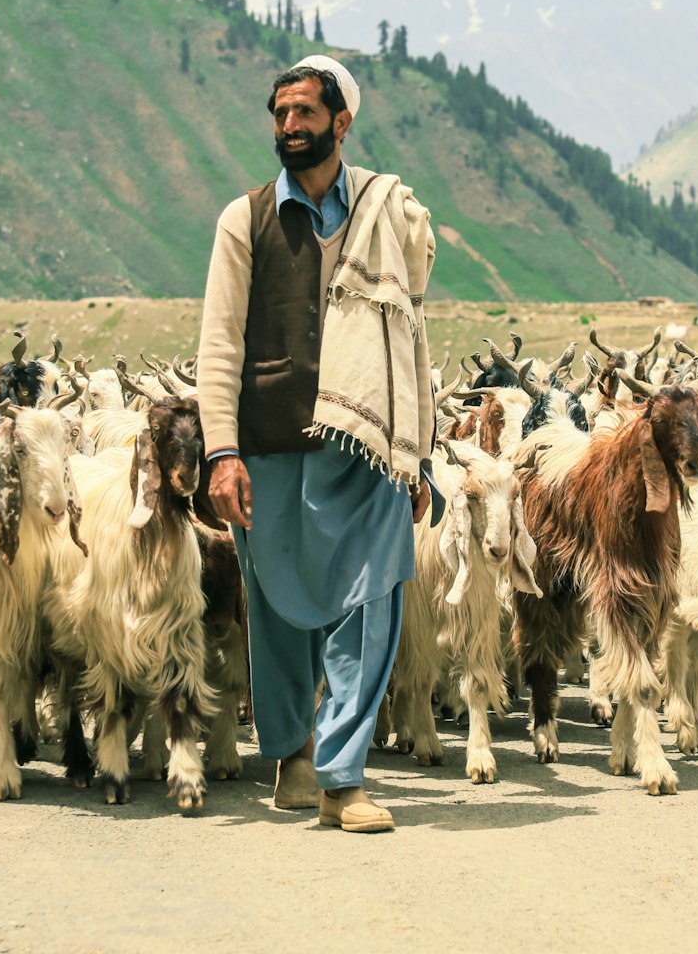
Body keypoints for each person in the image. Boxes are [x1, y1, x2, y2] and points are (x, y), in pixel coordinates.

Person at [196, 54, 437, 833]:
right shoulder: (247, 219)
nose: (289, 127)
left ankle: (343, 780)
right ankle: (293, 757)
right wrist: (220, 452)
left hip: (364, 448)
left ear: (342, 122)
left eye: (304, 113)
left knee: (370, 600)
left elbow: (408, 336)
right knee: (276, 609)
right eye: (280, 114)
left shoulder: (388, 215)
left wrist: (416, 449)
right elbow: (219, 345)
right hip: (267, 442)